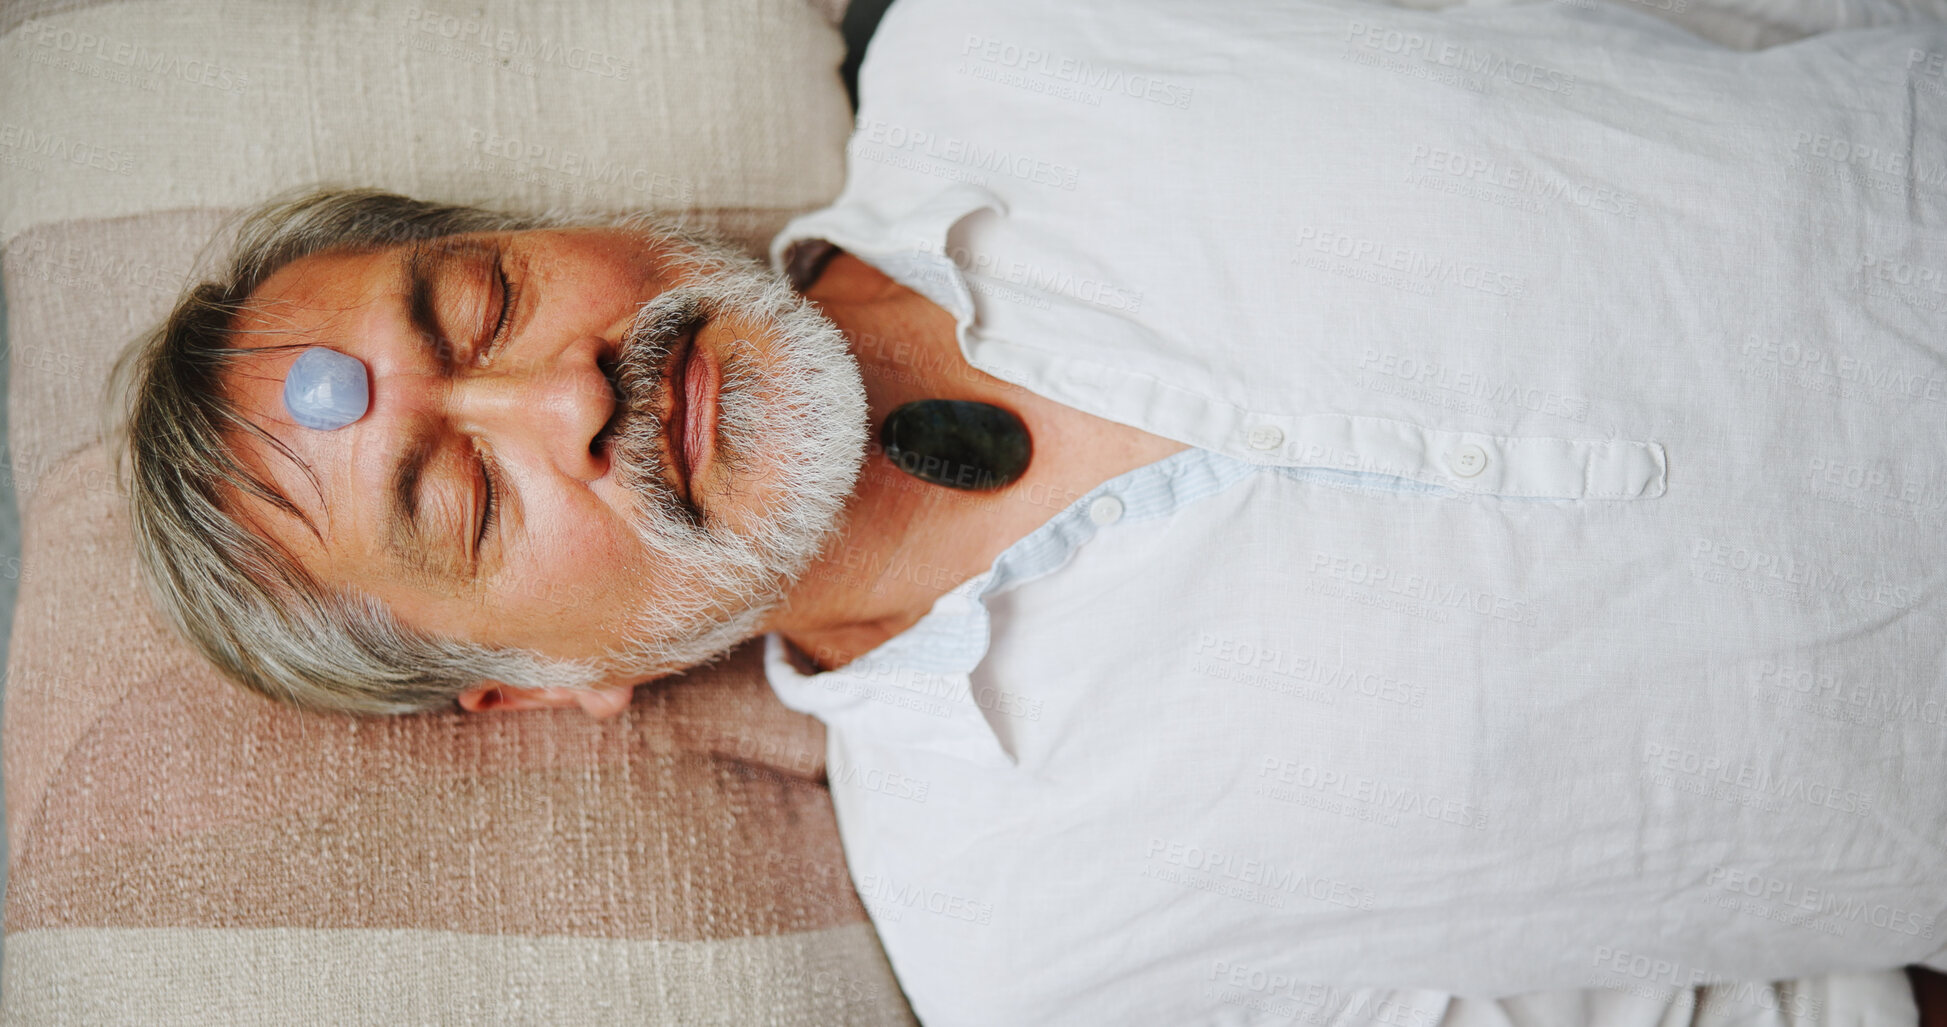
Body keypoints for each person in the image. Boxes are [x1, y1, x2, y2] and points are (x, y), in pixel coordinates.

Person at [113, 0, 1947, 1022]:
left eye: (485, 305)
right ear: (525, 685)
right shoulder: (1034, 952)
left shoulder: (1027, 31)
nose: (565, 394)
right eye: (463, 494)